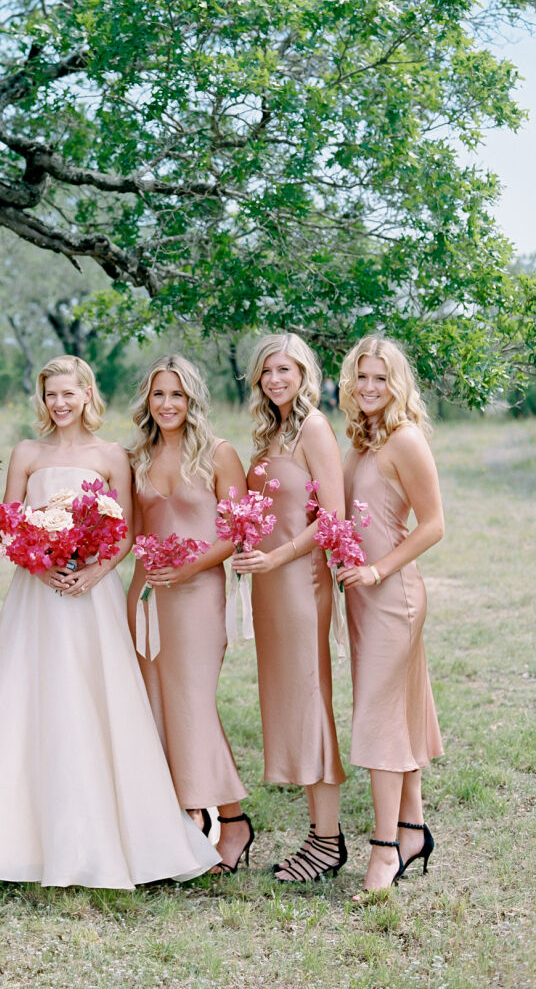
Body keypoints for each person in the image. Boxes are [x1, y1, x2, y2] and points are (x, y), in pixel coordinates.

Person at [0, 355, 219, 888]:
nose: (60, 404)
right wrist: (39, 559)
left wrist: (93, 573)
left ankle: (111, 828)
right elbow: (8, 524)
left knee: (94, 700)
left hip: (93, 594)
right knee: (33, 701)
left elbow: (125, 531)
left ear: (87, 394)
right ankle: (23, 833)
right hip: (36, 596)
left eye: (69, 394)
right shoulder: (27, 453)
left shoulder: (112, 455)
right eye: (50, 395)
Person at [126, 354, 254, 874]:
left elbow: (236, 530)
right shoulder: (137, 456)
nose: (167, 403)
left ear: (192, 399)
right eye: (158, 394)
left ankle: (235, 819)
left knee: (193, 703)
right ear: (147, 400)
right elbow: (131, 530)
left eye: (176, 394)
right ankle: (187, 815)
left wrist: (186, 569)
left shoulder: (219, 455)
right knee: (156, 704)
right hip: (145, 596)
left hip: (198, 594)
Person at [233, 335, 348, 881]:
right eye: (266, 371)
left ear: (303, 372)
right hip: (268, 585)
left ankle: (327, 840)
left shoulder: (315, 429)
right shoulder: (269, 431)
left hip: (300, 581)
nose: (275, 379)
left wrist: (277, 556)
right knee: (286, 702)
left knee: (309, 700)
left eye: (285, 369)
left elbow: (333, 519)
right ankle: (318, 834)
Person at [337, 336, 443, 894]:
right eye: (362, 377)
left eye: (381, 378)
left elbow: (433, 524)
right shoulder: (360, 439)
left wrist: (377, 571)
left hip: (393, 595)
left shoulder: (404, 439)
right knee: (394, 709)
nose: (370, 387)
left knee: (378, 717)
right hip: (360, 595)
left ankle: (383, 851)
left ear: (396, 383)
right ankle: (411, 829)